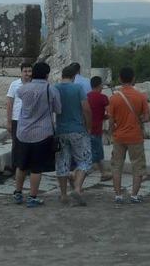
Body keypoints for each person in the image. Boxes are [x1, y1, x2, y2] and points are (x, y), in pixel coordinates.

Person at [14, 62, 62, 207]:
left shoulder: (23, 89)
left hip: (23, 132)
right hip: (42, 133)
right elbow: (58, 109)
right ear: (47, 74)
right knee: (36, 167)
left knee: (21, 165)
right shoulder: (51, 89)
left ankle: (17, 193)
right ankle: (32, 197)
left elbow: (19, 97)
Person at [108, 66, 150, 204]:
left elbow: (111, 120)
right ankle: (134, 195)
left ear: (120, 79)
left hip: (119, 136)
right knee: (137, 166)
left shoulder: (114, 98)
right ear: (133, 79)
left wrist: (112, 132)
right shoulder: (141, 96)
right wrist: (137, 119)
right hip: (135, 136)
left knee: (116, 166)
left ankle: (118, 195)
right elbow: (147, 117)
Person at [55, 66, 93, 206]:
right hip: (77, 129)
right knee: (85, 160)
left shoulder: (55, 88)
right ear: (74, 76)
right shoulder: (78, 88)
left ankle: (63, 194)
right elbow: (86, 109)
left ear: (62, 75)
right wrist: (88, 125)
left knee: (62, 162)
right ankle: (77, 188)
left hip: (61, 130)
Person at [6, 62, 33, 176]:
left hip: (30, 119)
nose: (27, 73)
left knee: (29, 144)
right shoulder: (14, 84)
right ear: (21, 72)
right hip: (16, 118)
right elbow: (9, 103)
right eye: (25, 71)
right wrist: (9, 121)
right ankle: (15, 168)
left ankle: (27, 168)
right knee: (16, 145)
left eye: (29, 71)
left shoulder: (34, 85)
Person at [87, 75, 111, 182]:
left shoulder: (86, 96)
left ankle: (103, 173)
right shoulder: (103, 98)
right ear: (99, 85)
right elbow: (110, 112)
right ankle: (76, 174)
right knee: (98, 153)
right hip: (96, 130)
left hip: (86, 129)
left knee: (92, 152)